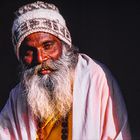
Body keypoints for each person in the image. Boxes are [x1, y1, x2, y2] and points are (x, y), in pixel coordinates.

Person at [0, 1, 131, 140]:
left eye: (48, 46)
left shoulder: (94, 78)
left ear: (64, 45)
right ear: (20, 57)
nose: (40, 58)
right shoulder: (18, 97)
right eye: (29, 51)